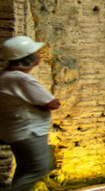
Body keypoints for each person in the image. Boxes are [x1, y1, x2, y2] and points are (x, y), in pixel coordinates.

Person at [0, 36, 61, 191]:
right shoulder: (23, 80)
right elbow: (53, 103)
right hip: (29, 132)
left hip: (15, 131)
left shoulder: (4, 76)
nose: (39, 56)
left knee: (26, 168)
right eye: (35, 53)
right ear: (27, 58)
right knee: (38, 168)